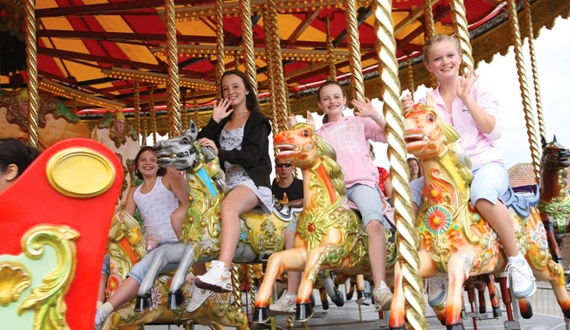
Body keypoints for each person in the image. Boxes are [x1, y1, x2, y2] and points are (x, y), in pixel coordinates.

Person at [401, 34, 536, 306]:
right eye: (437, 58)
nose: (445, 62)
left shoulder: (478, 87)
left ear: (460, 57)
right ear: (428, 66)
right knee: (411, 198)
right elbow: (422, 144)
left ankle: (516, 259)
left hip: (483, 163)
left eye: (450, 55)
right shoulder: (427, 99)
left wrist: (467, 98)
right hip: (447, 172)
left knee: (482, 194)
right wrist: (409, 115)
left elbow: (492, 130)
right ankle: (430, 260)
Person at [288, 81, 393, 311]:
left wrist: (374, 114)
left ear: (345, 100)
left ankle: (380, 285)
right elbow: (300, 153)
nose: (332, 101)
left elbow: (390, 136)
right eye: (326, 98)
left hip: (360, 183)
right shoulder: (318, 134)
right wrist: (294, 129)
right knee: (294, 228)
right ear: (319, 105)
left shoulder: (359, 123)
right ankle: (290, 293)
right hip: (332, 191)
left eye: (336, 97)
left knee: (373, 222)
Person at [195, 70, 272, 293]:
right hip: (226, 184)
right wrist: (215, 119)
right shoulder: (223, 123)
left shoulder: (258, 121)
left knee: (228, 206)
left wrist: (220, 152)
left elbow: (251, 156)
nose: (231, 92)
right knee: (186, 214)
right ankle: (201, 281)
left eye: (236, 86)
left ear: (247, 89)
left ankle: (222, 270)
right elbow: (200, 145)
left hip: (251, 182)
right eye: (226, 88)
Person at [95, 146, 189, 329]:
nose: (148, 163)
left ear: (159, 163)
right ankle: (97, 307)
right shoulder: (134, 191)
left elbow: (187, 200)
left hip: (171, 243)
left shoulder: (166, 180)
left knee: (143, 266)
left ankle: (106, 309)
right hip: (147, 244)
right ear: (137, 166)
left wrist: (178, 176)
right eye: (143, 160)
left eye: (153, 159)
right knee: (105, 261)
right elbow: (126, 220)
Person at [270, 161, 303, 313]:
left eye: (288, 165)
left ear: (292, 167)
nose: (283, 168)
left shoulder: (300, 184)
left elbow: (307, 200)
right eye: (280, 165)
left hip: (300, 224)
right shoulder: (273, 188)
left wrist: (287, 205)